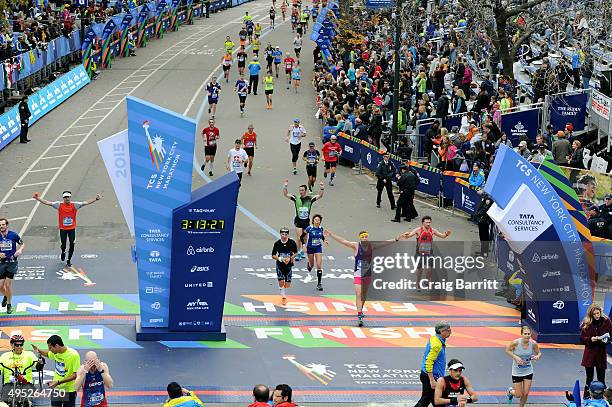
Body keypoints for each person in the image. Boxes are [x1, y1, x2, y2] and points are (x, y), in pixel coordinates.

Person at [324, 229, 402, 326]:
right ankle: (360, 314)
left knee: (364, 295)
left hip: (367, 274)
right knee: (358, 293)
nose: (365, 238)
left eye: (366, 237)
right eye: (363, 237)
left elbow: (384, 244)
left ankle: (360, 308)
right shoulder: (356, 246)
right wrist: (331, 235)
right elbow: (343, 241)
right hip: (358, 274)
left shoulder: (371, 246)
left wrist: (396, 239)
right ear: (360, 238)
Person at [34, 191, 102, 268]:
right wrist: (37, 198)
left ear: (70, 197)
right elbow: (47, 202)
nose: (67, 199)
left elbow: (85, 203)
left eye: (68, 197)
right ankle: (63, 252)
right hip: (63, 229)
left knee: (72, 245)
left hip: (71, 229)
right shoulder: (59, 205)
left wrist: (96, 199)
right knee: (63, 244)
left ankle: (69, 260)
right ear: (63, 198)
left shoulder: (75, 205)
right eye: (65, 197)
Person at [400, 216, 451, 288]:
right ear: (423, 223)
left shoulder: (432, 230)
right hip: (419, 253)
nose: (428, 224)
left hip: (429, 252)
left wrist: (446, 234)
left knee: (429, 268)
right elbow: (409, 236)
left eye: (429, 222)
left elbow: (442, 236)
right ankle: (418, 282)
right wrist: (406, 235)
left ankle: (427, 281)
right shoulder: (418, 230)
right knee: (420, 269)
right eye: (426, 222)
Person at [32, 334, 81, 407]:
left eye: (50, 347)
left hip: (69, 390)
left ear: (57, 346)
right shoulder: (55, 353)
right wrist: (38, 350)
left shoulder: (74, 355)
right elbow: (47, 354)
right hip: (56, 389)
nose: (49, 350)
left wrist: (58, 382)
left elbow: (75, 375)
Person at [283, 181, 324, 260]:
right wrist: (285, 186)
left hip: (306, 221)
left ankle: (302, 251)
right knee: (299, 237)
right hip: (298, 220)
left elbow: (320, 196)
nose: (300, 192)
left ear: (305, 190)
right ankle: (297, 252)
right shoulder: (296, 198)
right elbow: (286, 194)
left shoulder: (310, 198)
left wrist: (322, 188)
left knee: (305, 238)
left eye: (302, 190)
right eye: (300, 190)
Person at [414, 321, 452, 407]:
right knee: (428, 400)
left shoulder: (435, 338)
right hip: (431, 377)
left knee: (432, 400)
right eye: (448, 330)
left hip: (429, 375)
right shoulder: (437, 345)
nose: (450, 332)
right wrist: (432, 380)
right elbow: (429, 362)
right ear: (442, 331)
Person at [580, 303, 612, 397]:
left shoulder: (607, 322)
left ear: (600, 312)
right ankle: (586, 397)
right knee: (589, 378)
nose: (597, 315)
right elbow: (582, 339)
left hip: (601, 353)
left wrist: (606, 340)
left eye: (598, 313)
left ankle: (601, 398)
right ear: (591, 314)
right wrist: (590, 339)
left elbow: (611, 336)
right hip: (590, 353)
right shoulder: (586, 323)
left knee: (601, 378)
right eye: (594, 314)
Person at [505, 325, 541, 407]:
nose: (527, 336)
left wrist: (537, 356)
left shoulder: (533, 344)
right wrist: (515, 357)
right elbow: (507, 350)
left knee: (525, 393)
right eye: (525, 334)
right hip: (517, 371)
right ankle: (510, 391)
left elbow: (539, 353)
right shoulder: (516, 343)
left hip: (528, 370)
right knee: (518, 394)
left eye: (529, 334)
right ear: (522, 334)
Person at [0, 335, 38, 403]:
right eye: (17, 345)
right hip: (9, 384)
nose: (19, 347)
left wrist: (41, 363)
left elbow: (38, 366)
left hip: (26, 383)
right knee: (4, 403)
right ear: (12, 344)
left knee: (27, 402)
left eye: (21, 345)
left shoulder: (29, 354)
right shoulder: (4, 356)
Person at [0, 218, 24, 314]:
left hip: (12, 262)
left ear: (6, 225)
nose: (1, 226)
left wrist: (20, 250)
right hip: (1, 263)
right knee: (0, 286)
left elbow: (22, 243)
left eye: (3, 224)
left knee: (7, 284)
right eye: (0, 225)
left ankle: (9, 305)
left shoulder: (13, 235)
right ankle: (6, 296)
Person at [271, 227, 298, 305]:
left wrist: (291, 258)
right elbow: (273, 255)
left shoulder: (292, 243)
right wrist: (280, 258)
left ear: (288, 235)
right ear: (280, 234)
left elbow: (296, 252)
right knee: (281, 281)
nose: (284, 236)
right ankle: (282, 292)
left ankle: (284, 288)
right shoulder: (277, 243)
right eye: (282, 234)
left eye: (286, 234)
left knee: (287, 285)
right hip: (280, 264)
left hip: (289, 265)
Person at [304, 214, 327, 290]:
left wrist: (324, 240)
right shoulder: (309, 228)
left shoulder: (321, 228)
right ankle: (309, 265)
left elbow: (322, 236)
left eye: (318, 220)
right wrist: (304, 245)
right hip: (310, 248)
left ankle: (319, 284)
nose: (317, 221)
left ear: (320, 222)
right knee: (312, 265)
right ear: (313, 221)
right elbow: (302, 236)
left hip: (318, 248)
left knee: (319, 265)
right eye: (316, 220)